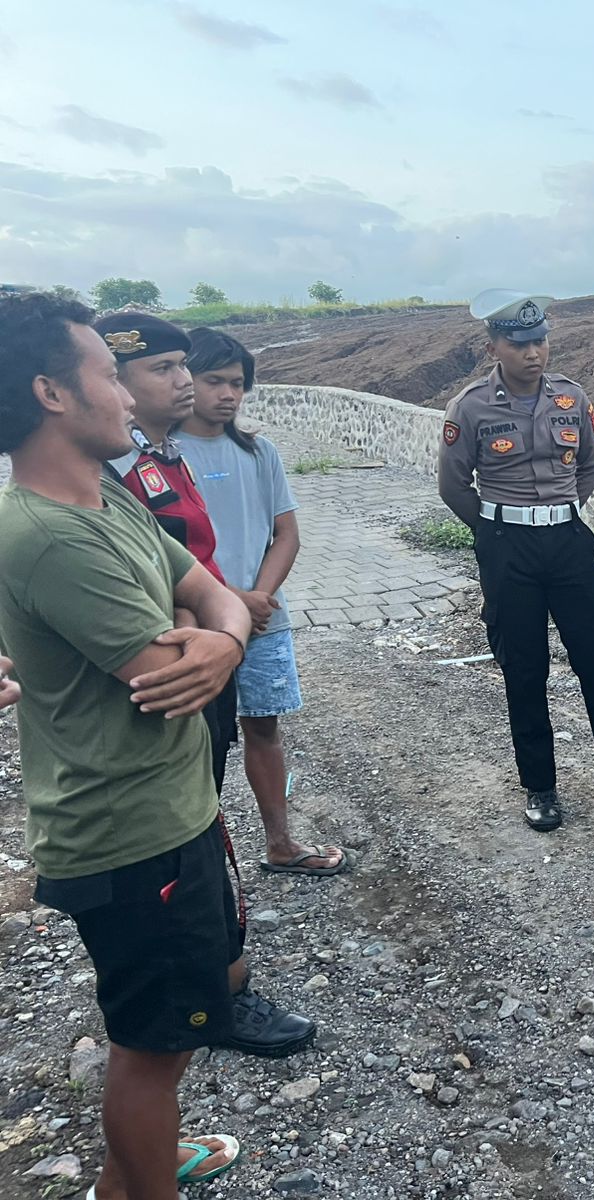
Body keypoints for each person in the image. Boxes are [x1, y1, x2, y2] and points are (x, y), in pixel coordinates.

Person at [0, 294, 312, 1199]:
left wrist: (221, 636)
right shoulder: (51, 536)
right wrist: (219, 635)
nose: (132, 395)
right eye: (113, 374)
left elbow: (209, 592)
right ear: (52, 393)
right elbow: (167, 670)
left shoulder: (106, 496)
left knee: (167, 1038)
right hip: (129, 835)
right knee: (153, 1050)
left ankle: (133, 1170)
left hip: (171, 813)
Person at [438, 290, 594, 832]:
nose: (533, 352)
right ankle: (540, 786)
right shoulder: (470, 407)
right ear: (493, 347)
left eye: (539, 341)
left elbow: (590, 464)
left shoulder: (571, 397)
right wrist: (494, 530)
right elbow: (453, 484)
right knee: (525, 668)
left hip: (567, 541)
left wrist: (559, 511)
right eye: (519, 344)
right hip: (507, 546)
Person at [179, 328, 350, 877]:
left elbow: (286, 534)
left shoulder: (258, 452)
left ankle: (280, 842)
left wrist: (259, 599)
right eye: (214, 381)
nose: (228, 394)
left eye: (237, 383)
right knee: (195, 741)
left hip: (263, 622)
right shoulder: (158, 458)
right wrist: (233, 601)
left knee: (264, 727)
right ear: (185, 379)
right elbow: (166, 551)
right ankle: (197, 862)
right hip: (194, 622)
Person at [94, 312, 237, 796]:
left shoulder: (168, 453)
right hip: (168, 659)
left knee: (211, 775)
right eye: (163, 368)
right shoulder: (108, 473)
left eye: (183, 365)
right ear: (116, 382)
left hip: (210, 642)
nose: (184, 380)